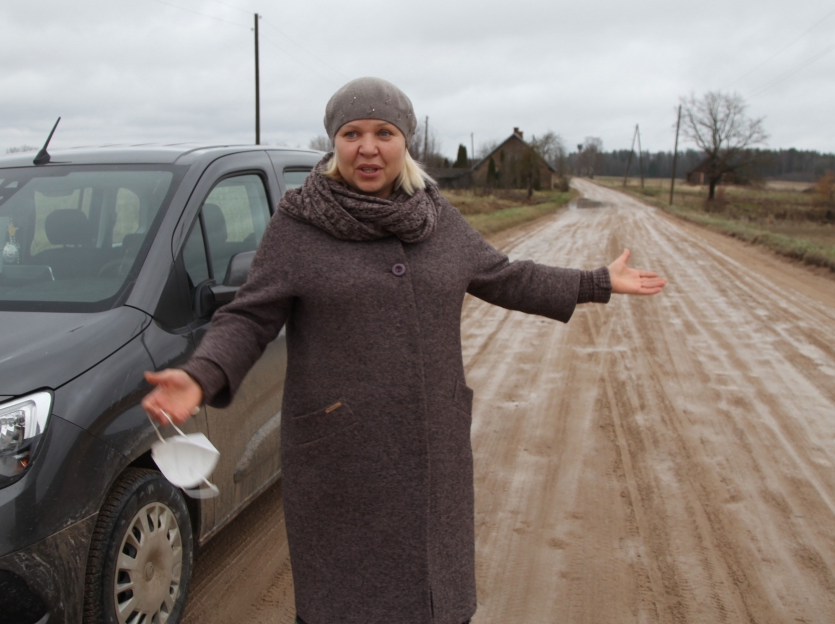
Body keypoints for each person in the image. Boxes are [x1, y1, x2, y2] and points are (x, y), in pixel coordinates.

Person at [141, 77, 666, 624]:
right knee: (343, 602)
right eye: (352, 133)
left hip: (430, 454)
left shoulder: (437, 221)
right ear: (334, 143)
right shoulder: (298, 226)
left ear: (405, 141)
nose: (368, 147)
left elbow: (506, 277)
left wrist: (596, 281)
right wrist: (201, 375)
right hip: (340, 458)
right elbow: (249, 316)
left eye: (384, 132)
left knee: (436, 597)